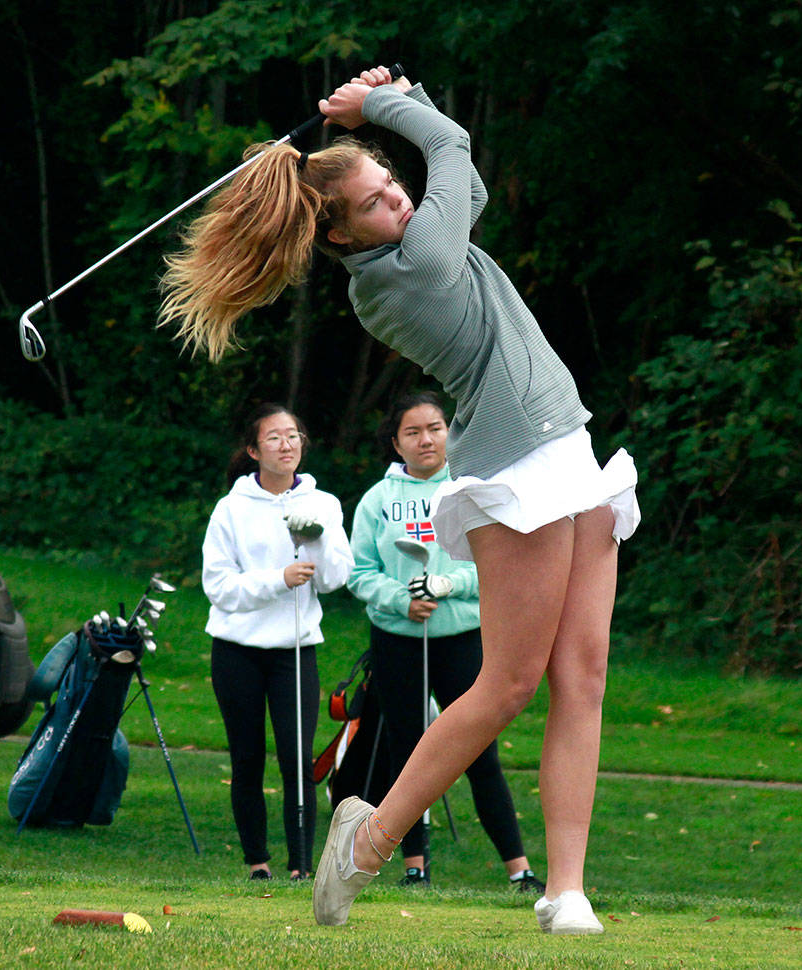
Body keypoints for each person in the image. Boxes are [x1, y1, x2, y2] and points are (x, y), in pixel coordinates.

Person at [160, 67, 639, 933]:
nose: (401, 204)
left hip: (570, 446)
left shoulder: (420, 239)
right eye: (378, 202)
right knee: (508, 683)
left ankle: (565, 889)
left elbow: (468, 180)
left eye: (394, 186)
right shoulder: (401, 274)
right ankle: (369, 840)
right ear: (341, 238)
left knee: (585, 673)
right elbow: (451, 148)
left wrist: (403, 96)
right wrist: (378, 107)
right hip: (517, 468)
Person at [347, 390, 543, 891]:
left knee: (481, 751)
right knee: (406, 747)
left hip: (461, 636)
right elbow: (360, 573)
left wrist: (449, 584)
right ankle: (413, 863)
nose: (426, 439)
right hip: (398, 638)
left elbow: (496, 567)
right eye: (412, 432)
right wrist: (400, 599)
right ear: (396, 442)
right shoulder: (377, 500)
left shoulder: (469, 489)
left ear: (450, 432)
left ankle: (519, 869)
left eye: (434, 428)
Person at [202, 403, 354, 881]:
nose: (286, 445)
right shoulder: (230, 510)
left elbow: (334, 579)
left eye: (293, 436)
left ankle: (301, 867)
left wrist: (317, 539)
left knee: (296, 759)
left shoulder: (323, 503)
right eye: (274, 438)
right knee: (246, 757)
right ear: (253, 450)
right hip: (237, 651)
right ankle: (257, 862)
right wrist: (278, 579)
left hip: (295, 651)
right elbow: (219, 588)